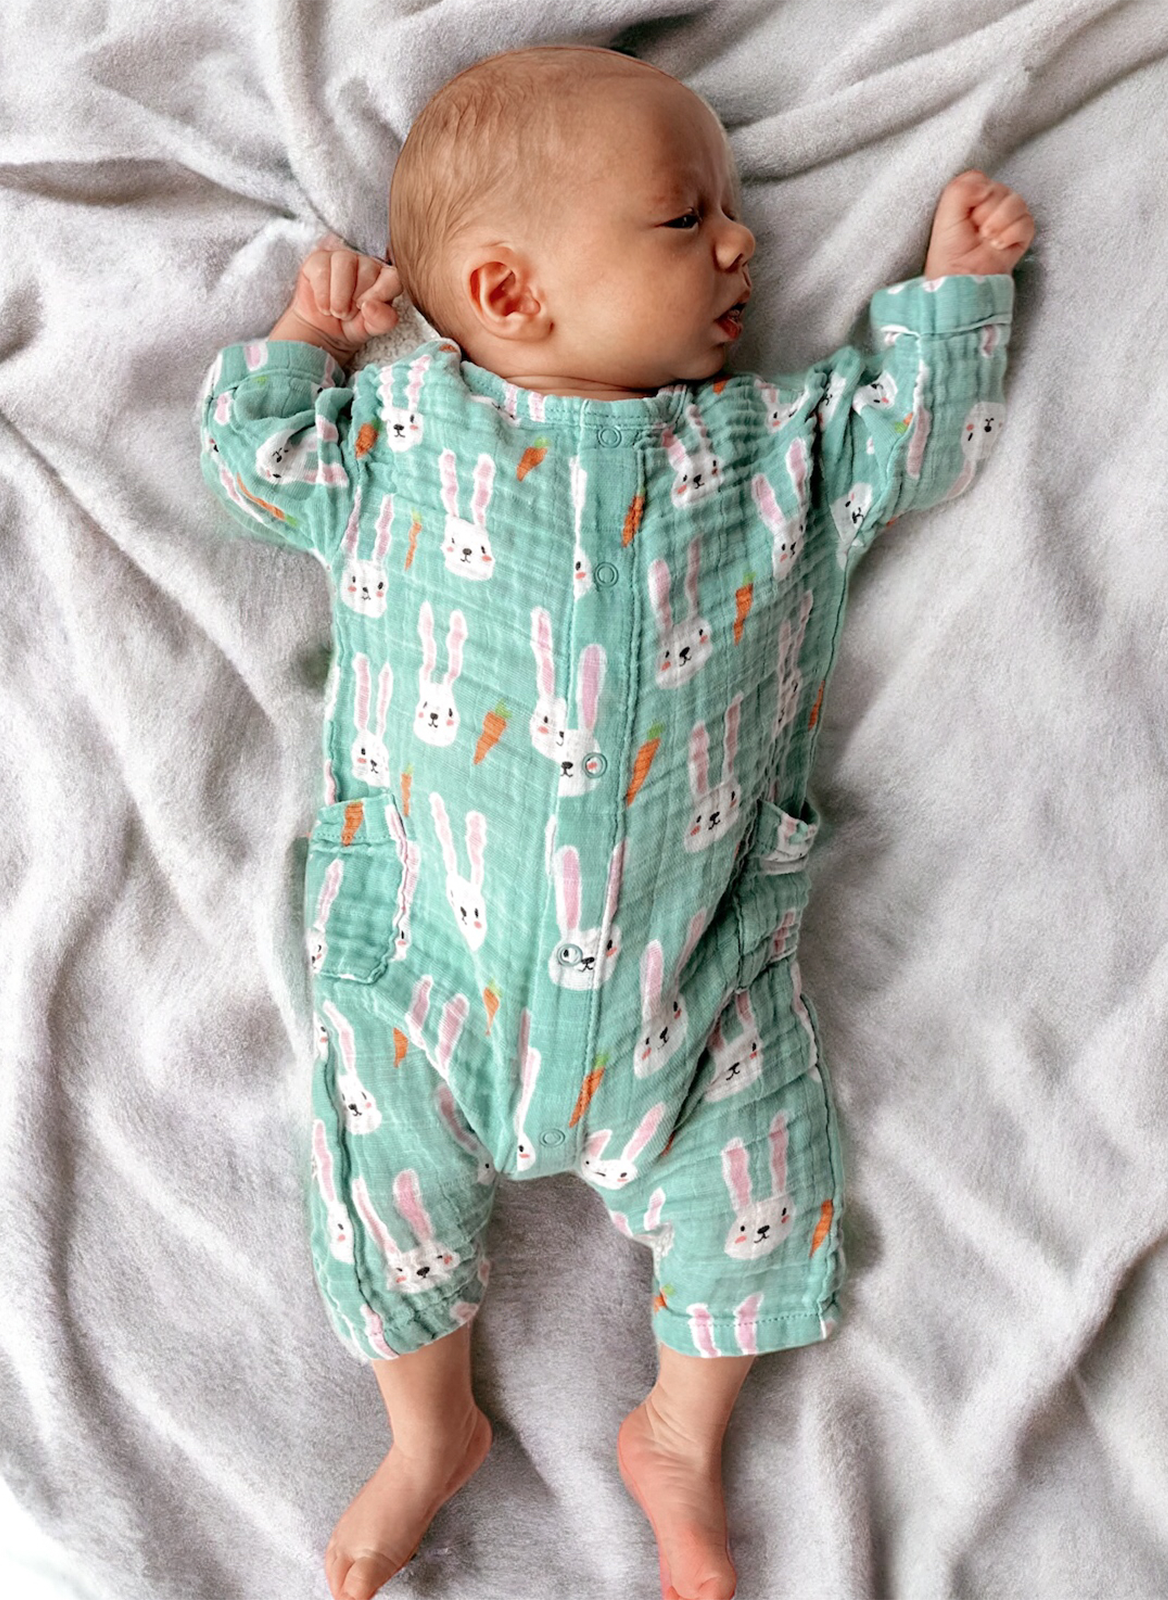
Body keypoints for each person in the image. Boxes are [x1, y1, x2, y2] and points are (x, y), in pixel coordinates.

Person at [197, 42, 1034, 1600]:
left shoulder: (769, 454)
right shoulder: (403, 440)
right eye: (685, 217)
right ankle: (425, 1433)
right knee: (381, 1204)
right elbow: (257, 458)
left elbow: (905, 436)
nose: (745, 244)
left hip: (690, 993)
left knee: (763, 1195)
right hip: (428, 983)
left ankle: (678, 1434)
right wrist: (305, 341)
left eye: (728, 211)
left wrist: (949, 294)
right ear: (508, 293)